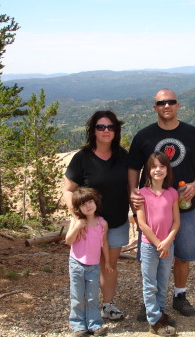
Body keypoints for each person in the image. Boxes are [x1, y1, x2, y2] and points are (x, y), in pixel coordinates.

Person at [128, 88, 195, 318]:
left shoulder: (192, 134)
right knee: (150, 255)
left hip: (183, 205)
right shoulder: (144, 136)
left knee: (183, 254)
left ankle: (179, 296)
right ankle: (150, 302)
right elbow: (133, 167)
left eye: (171, 102)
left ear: (178, 105)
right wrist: (132, 192)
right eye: (162, 103)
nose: (167, 106)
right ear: (154, 107)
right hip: (151, 206)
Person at [63, 110, 129, 321]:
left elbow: (131, 186)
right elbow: (67, 189)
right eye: (101, 127)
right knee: (88, 267)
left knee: (109, 264)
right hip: (90, 224)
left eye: (110, 126)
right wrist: (76, 216)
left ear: (116, 130)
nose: (106, 131)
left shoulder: (123, 155)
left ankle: (107, 305)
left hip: (117, 221)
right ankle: (85, 311)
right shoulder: (82, 158)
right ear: (93, 130)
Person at [136, 152, 180, 336]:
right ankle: (153, 320)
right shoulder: (142, 193)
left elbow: (176, 221)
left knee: (162, 281)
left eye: (162, 166)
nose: (158, 170)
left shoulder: (172, 193)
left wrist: (167, 242)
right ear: (148, 170)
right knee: (150, 283)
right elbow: (142, 223)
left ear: (167, 169)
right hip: (149, 246)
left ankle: (161, 311)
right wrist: (157, 243)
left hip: (167, 244)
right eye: (154, 167)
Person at [66, 187, 111, 337]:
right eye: (83, 204)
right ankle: (78, 326)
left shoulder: (102, 223)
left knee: (92, 296)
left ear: (95, 202)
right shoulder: (77, 221)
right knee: (77, 296)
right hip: (76, 264)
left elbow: (104, 243)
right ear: (78, 208)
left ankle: (95, 325)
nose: (88, 206)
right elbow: (69, 241)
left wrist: (107, 262)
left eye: (90, 201)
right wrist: (78, 227)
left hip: (93, 265)